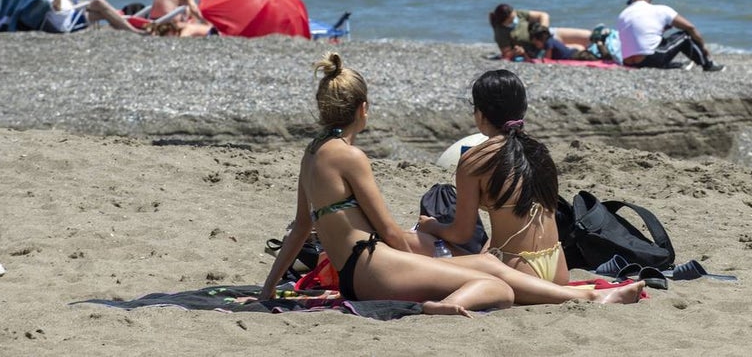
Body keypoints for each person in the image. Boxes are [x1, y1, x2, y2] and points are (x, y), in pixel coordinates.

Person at [259, 53, 644, 314]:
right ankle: (592, 295)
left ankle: (591, 294)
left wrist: (269, 286)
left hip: (357, 270)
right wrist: (425, 254)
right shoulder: (350, 156)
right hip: (372, 266)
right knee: (498, 287)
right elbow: (389, 232)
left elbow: (300, 229)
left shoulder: (311, 154)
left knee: (489, 269)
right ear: (363, 109)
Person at [415, 70, 569, 284]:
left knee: (413, 248)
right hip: (558, 268)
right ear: (522, 108)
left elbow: (461, 234)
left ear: (480, 114)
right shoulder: (540, 152)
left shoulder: (475, 160)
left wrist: (431, 226)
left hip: (517, 270)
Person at [616, 0, 723, 71]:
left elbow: (640, 35)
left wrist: (662, 30)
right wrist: (703, 46)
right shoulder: (660, 9)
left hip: (628, 62)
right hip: (649, 59)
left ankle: (674, 65)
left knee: (660, 41)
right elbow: (690, 27)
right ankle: (707, 65)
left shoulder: (622, 15)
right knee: (685, 35)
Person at [488, 4, 592, 60]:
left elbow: (543, 15)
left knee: (589, 37)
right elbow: (506, 54)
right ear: (504, 21)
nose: (514, 19)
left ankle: (604, 40)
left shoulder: (519, 14)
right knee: (579, 50)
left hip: (549, 35)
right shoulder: (501, 33)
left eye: (514, 16)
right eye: (511, 19)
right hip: (539, 47)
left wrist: (542, 31)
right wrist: (516, 52)